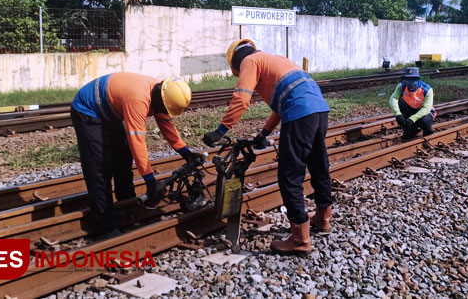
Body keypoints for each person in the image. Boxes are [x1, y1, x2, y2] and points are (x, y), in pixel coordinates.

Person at [202, 39, 332, 254]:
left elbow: (241, 99)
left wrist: (221, 130)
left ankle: (300, 239)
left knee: (290, 176)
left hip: (300, 113)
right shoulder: (276, 59)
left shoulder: (250, 62)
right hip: (319, 110)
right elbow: (283, 104)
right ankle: (323, 219)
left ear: (235, 61)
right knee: (319, 166)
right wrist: (263, 134)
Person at [70, 72, 204, 238]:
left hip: (109, 111)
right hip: (87, 110)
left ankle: (126, 205)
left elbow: (166, 126)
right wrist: (150, 180)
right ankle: (105, 225)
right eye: (163, 109)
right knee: (99, 167)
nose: (162, 112)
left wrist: (186, 153)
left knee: (122, 158)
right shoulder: (138, 99)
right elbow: (137, 141)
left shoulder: (162, 92)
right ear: (161, 99)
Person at [389, 67, 437, 140]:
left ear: (418, 79)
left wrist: (412, 119)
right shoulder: (401, 86)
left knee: (424, 121)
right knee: (400, 105)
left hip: (424, 112)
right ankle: (411, 130)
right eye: (408, 79)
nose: (411, 82)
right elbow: (393, 98)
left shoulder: (427, 89)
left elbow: (426, 108)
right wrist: (398, 114)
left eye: (413, 79)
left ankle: (428, 132)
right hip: (410, 109)